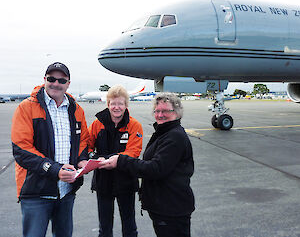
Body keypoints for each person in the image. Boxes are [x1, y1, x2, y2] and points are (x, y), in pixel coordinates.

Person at [98, 92, 195, 237]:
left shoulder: (174, 136)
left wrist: (120, 160)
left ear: (177, 112)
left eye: (165, 111)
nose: (160, 115)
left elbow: (155, 168)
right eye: (157, 111)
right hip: (165, 206)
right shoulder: (165, 132)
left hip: (171, 208)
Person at [11, 62, 90, 237]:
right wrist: (54, 170)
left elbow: (83, 141)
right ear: (44, 79)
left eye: (61, 80)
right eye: (51, 79)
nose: (56, 83)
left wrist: (82, 159)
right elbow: (21, 149)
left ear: (68, 83)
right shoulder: (27, 107)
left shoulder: (76, 109)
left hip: (66, 191)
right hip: (36, 192)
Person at [88, 85, 143, 237]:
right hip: (103, 181)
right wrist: (93, 157)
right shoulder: (97, 124)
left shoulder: (134, 125)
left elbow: (133, 152)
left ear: (126, 105)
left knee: (129, 224)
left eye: (120, 104)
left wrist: (113, 160)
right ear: (108, 104)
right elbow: (86, 145)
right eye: (113, 103)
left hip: (126, 180)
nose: (116, 107)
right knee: (104, 227)